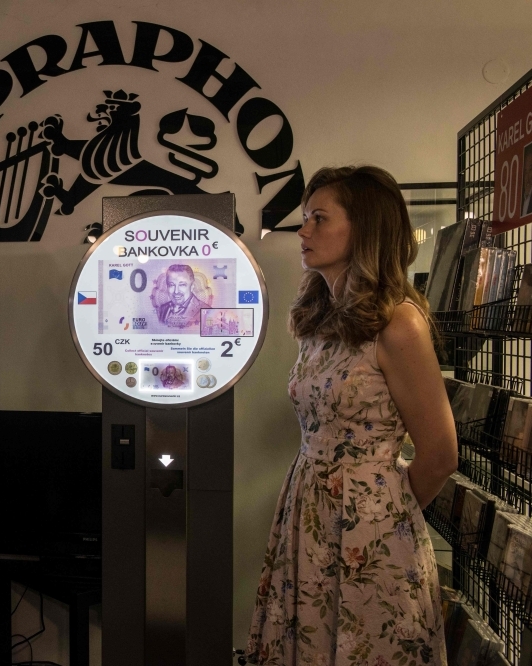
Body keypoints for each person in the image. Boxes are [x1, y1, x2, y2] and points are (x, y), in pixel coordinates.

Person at [245, 166, 456, 664]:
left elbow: (441, 454)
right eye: (305, 218)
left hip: (370, 527)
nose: (304, 231)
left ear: (363, 228)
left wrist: (383, 514)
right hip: (310, 511)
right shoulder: (324, 316)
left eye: (319, 218)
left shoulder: (398, 323)